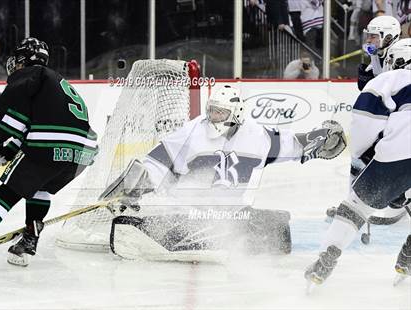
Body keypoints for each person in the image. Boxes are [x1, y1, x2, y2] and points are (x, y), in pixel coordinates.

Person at [102, 85, 347, 261]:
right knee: (177, 228)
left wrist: (318, 140)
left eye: (220, 112)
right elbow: (158, 161)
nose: (213, 117)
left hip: (231, 215)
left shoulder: (257, 137)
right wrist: (136, 185)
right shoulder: (193, 132)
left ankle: (206, 240)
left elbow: (292, 144)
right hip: (189, 211)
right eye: (212, 110)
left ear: (236, 113)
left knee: (276, 229)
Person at [304, 38, 411, 285]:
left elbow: (365, 124)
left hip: (398, 154)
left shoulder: (388, 80)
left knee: (356, 207)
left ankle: (326, 257)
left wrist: (363, 159)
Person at [0, 38, 98, 266]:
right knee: (40, 186)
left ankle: (30, 233)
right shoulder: (56, 83)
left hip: (48, 144)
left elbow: (11, 126)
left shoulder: (28, 76)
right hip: (79, 153)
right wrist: (6, 152)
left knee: (8, 191)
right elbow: (27, 131)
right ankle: (30, 236)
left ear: (22, 60)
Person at [358, 15, 401, 90]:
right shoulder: (376, 55)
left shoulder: (402, 56)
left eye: (373, 37)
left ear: (388, 38)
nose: (368, 40)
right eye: (368, 36)